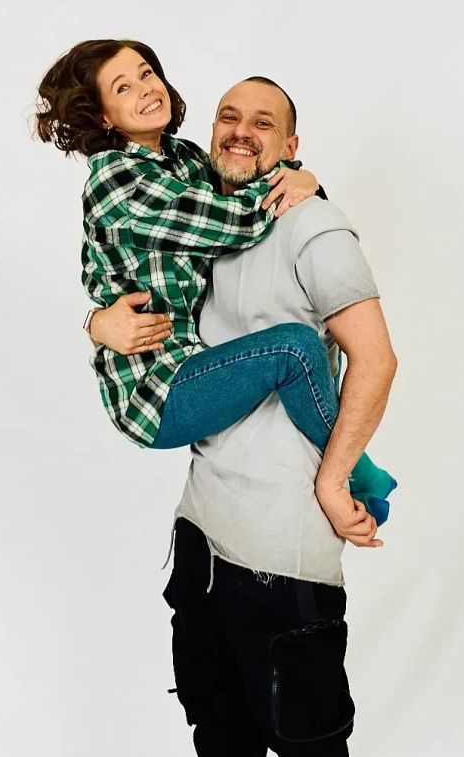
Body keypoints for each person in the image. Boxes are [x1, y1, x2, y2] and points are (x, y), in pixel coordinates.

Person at [90, 77, 398, 757]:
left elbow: (377, 358)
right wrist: (97, 321)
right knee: (213, 705)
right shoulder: (204, 214)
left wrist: (337, 477)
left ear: (292, 144)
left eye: (265, 123)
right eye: (230, 115)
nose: (241, 131)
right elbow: (126, 269)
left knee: (307, 728)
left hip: (284, 534)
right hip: (204, 523)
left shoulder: (313, 224)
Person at [35, 39, 396, 521]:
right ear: (103, 116)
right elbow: (235, 218)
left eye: (146, 73)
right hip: (156, 392)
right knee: (294, 349)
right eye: (123, 88)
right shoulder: (117, 181)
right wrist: (94, 322)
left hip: (194, 362)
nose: (145, 89)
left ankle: (351, 467)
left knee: (294, 348)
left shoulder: (181, 158)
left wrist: (304, 179)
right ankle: (352, 471)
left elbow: (246, 174)